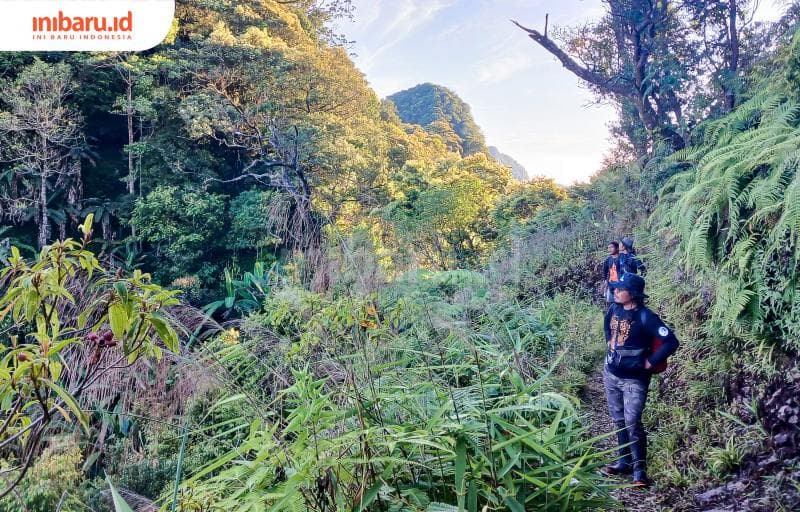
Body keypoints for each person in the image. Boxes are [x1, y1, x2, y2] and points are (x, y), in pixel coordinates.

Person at [602, 272, 679, 487]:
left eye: (620, 289)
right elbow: (607, 324)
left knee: (632, 422)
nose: (615, 291)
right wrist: (610, 341)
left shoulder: (646, 317)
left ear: (633, 294)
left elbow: (671, 342)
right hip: (611, 373)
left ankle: (639, 471)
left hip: (634, 379)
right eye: (615, 288)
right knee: (619, 420)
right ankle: (623, 462)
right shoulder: (614, 308)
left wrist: (650, 362)